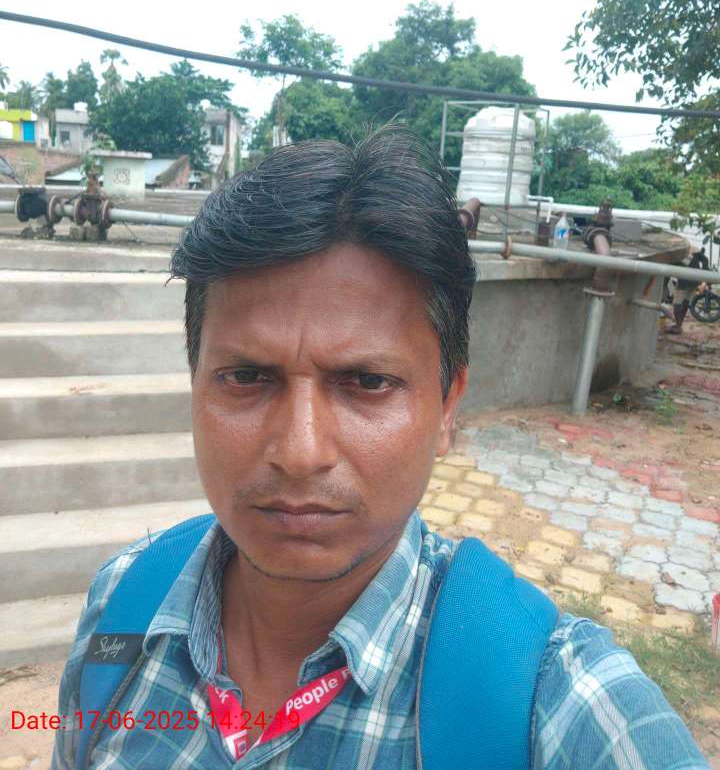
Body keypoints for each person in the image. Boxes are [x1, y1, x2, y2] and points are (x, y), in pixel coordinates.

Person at [52, 130, 709, 769]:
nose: (300, 452)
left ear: (447, 406)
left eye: (367, 382)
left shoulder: (557, 704)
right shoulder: (123, 606)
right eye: (247, 377)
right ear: (194, 383)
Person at [665, 247, 710, 334]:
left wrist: (664, 285)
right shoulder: (692, 249)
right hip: (695, 281)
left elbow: (668, 271)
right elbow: (705, 259)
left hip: (684, 282)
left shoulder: (675, 252)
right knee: (685, 302)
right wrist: (704, 275)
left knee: (677, 304)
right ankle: (678, 325)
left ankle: (678, 327)